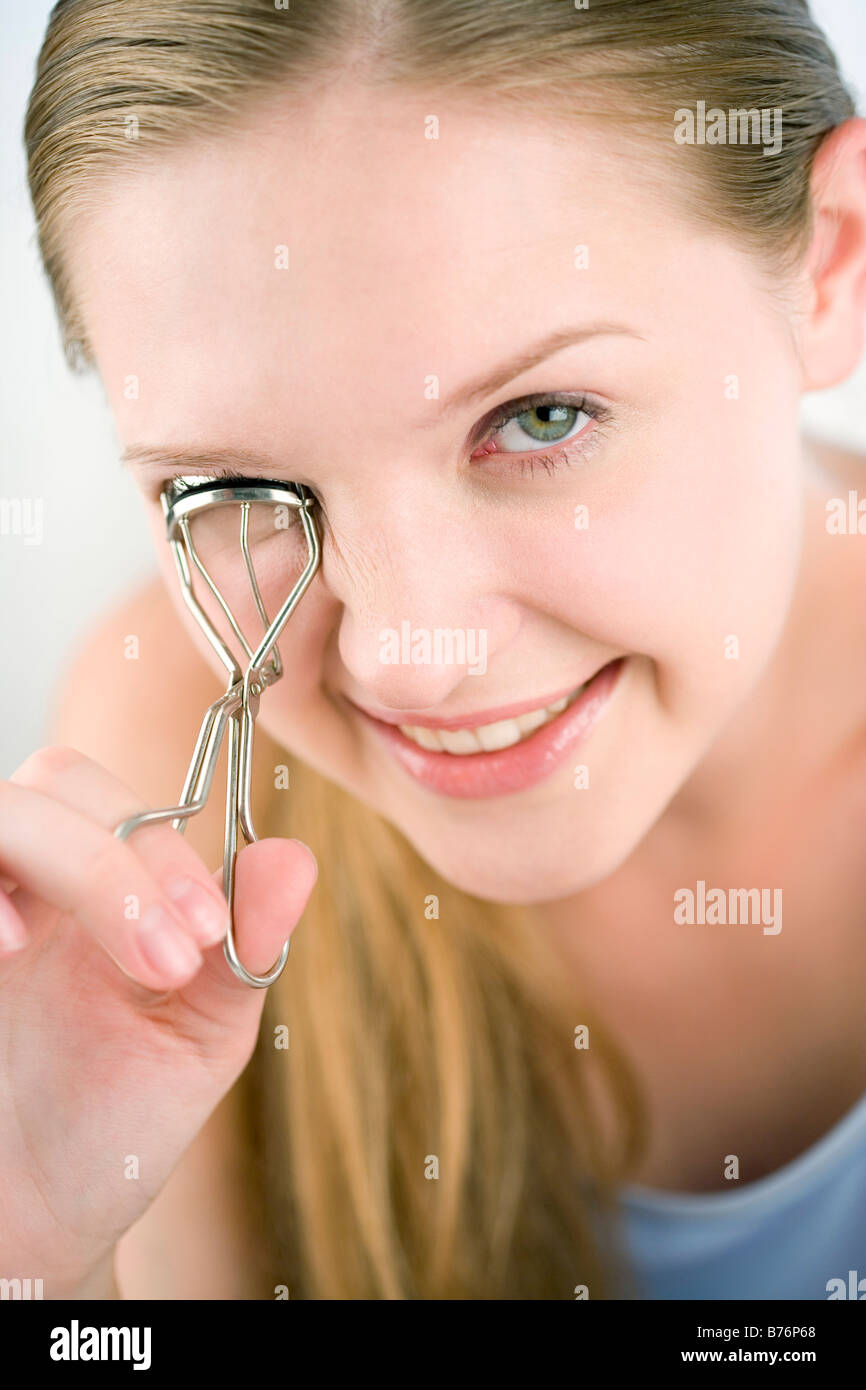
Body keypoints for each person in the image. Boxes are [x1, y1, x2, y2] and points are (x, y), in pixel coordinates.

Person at [5, 0, 866, 1300]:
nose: (409, 658)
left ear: (828, 262)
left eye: (540, 417)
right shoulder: (161, 793)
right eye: (235, 482)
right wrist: (38, 1264)